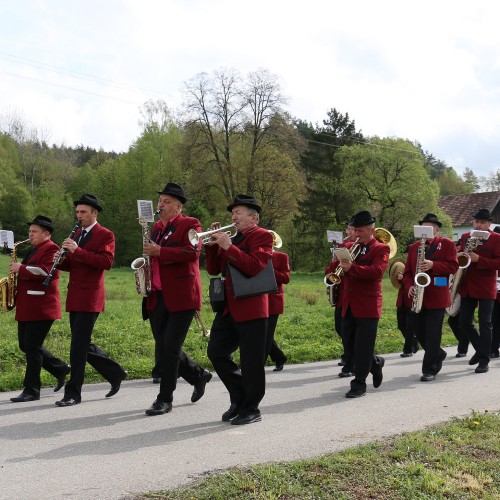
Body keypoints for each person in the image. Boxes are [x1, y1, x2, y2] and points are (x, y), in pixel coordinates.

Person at [141, 183, 212, 416]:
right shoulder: (155, 230)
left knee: (170, 348)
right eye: (160, 200)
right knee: (164, 348)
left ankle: (165, 399)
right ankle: (199, 375)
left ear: (179, 206)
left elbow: (193, 253)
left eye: (167, 201)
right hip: (157, 295)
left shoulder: (191, 224)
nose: (161, 204)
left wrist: (160, 252)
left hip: (182, 295)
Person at [205, 194, 273, 425]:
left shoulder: (262, 236)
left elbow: (254, 267)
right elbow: (213, 269)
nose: (233, 217)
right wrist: (213, 247)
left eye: (238, 213)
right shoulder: (232, 237)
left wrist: (228, 246)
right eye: (232, 213)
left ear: (254, 217)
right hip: (228, 306)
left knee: (251, 360)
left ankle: (252, 407)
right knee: (216, 351)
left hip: (252, 306)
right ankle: (238, 395)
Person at [55, 194, 127, 406]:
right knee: (82, 343)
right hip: (75, 294)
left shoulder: (105, 235)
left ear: (95, 213)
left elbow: (105, 262)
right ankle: (115, 372)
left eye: (83, 212)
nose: (79, 216)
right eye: (77, 212)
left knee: (78, 345)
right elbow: (75, 264)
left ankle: (73, 393)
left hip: (91, 297)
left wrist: (77, 250)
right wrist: (60, 262)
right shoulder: (77, 233)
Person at [9, 216, 70, 403]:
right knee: (25, 345)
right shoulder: (35, 249)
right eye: (30, 231)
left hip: (42, 306)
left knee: (32, 347)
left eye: (34, 232)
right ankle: (59, 368)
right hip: (28, 305)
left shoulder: (53, 249)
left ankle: (32, 389)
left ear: (47, 234)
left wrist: (22, 268)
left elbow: (46, 273)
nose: (30, 235)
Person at [333, 210, 388, 398]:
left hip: (368, 305)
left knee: (363, 346)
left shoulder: (380, 249)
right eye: (354, 230)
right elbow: (332, 269)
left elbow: (376, 273)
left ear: (371, 230)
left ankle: (359, 384)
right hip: (348, 304)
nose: (355, 234)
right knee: (349, 345)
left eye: (360, 231)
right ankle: (375, 363)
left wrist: (353, 268)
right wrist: (333, 268)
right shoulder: (347, 246)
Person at [403, 213, 458, 382]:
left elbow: (454, 266)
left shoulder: (447, 244)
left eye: (429, 228)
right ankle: (438, 353)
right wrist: (409, 286)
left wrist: (434, 265)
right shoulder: (414, 248)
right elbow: (407, 273)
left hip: (437, 294)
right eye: (422, 227)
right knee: (418, 330)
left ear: (436, 230)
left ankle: (429, 369)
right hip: (418, 295)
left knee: (433, 333)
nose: (425, 231)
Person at [457, 208, 500, 374]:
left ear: (489, 224)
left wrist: (479, 259)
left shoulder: (496, 238)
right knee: (464, 322)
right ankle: (481, 350)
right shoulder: (466, 236)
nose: (479, 225)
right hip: (468, 284)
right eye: (476, 222)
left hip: (486, 286)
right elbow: (461, 256)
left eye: (482, 222)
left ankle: (484, 360)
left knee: (485, 323)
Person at [266, 230, 290, 372]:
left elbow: (286, 278)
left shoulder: (282, 256)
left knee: (267, 334)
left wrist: (269, 269)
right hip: (257, 298)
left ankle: (258, 366)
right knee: (262, 334)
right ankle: (279, 357)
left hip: (274, 300)